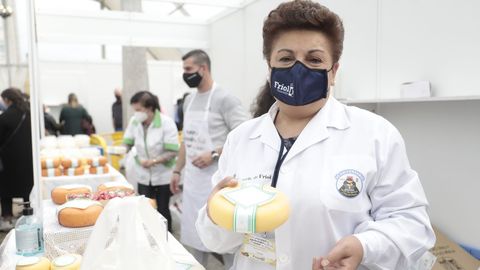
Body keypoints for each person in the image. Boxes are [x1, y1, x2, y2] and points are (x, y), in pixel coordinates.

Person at [195, 1, 435, 270]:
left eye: (314, 59)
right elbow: (217, 241)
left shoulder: (375, 135)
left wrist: (364, 246)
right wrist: (217, 213)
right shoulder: (241, 139)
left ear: (333, 72)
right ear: (270, 68)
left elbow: (412, 224)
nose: (299, 70)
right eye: (286, 58)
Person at [170, 49, 248, 268]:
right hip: (194, 182)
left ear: (202, 68)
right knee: (196, 239)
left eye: (188, 69)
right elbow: (187, 139)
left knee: (224, 238)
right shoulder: (189, 101)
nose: (185, 74)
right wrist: (177, 170)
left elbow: (244, 139)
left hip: (218, 182)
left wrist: (213, 153)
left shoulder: (225, 99)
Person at [123, 91, 179, 232]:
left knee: (162, 209)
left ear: (150, 108)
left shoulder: (166, 123)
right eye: (134, 110)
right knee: (146, 208)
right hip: (143, 174)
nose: (136, 114)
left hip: (163, 175)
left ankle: (167, 239)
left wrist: (154, 161)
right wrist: (136, 158)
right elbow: (128, 144)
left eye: (138, 110)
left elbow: (173, 151)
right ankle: (148, 239)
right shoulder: (135, 122)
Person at [0, 88, 33, 231]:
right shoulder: (29, 113)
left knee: (6, 187)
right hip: (27, 157)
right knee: (27, 185)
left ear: (8, 100)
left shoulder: (5, 117)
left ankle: (7, 217)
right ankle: (27, 211)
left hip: (8, 159)